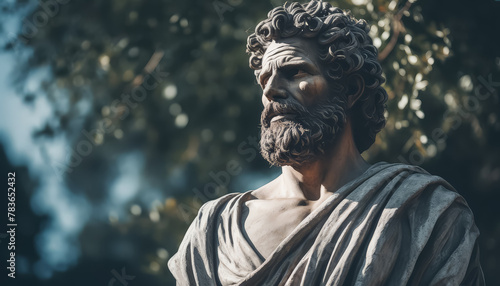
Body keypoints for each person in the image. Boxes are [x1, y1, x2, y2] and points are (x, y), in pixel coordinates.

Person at [168, 1, 484, 285]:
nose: (271, 90)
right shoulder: (215, 233)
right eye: (265, 80)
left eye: (294, 72)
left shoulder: (424, 213)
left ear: (350, 90)